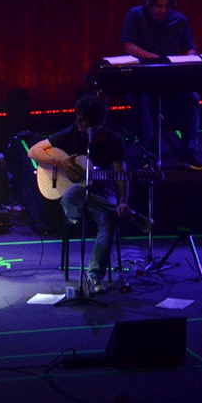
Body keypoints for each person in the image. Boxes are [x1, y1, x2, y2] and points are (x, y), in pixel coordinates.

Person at [28, 94, 132, 294]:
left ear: (96, 124)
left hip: (102, 193)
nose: (77, 122)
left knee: (110, 220)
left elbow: (121, 175)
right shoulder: (71, 133)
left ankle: (93, 276)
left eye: (82, 119)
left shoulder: (114, 141)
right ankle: (133, 216)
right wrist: (61, 163)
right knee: (76, 190)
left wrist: (122, 200)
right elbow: (34, 151)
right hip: (73, 201)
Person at [121, 0, 202, 170]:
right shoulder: (135, 15)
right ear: (149, 5)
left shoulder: (179, 20)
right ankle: (149, 153)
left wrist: (187, 59)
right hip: (141, 79)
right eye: (158, 6)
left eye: (166, 6)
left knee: (192, 98)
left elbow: (190, 47)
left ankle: (188, 153)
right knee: (142, 99)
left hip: (169, 79)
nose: (161, 10)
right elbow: (129, 47)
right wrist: (160, 59)